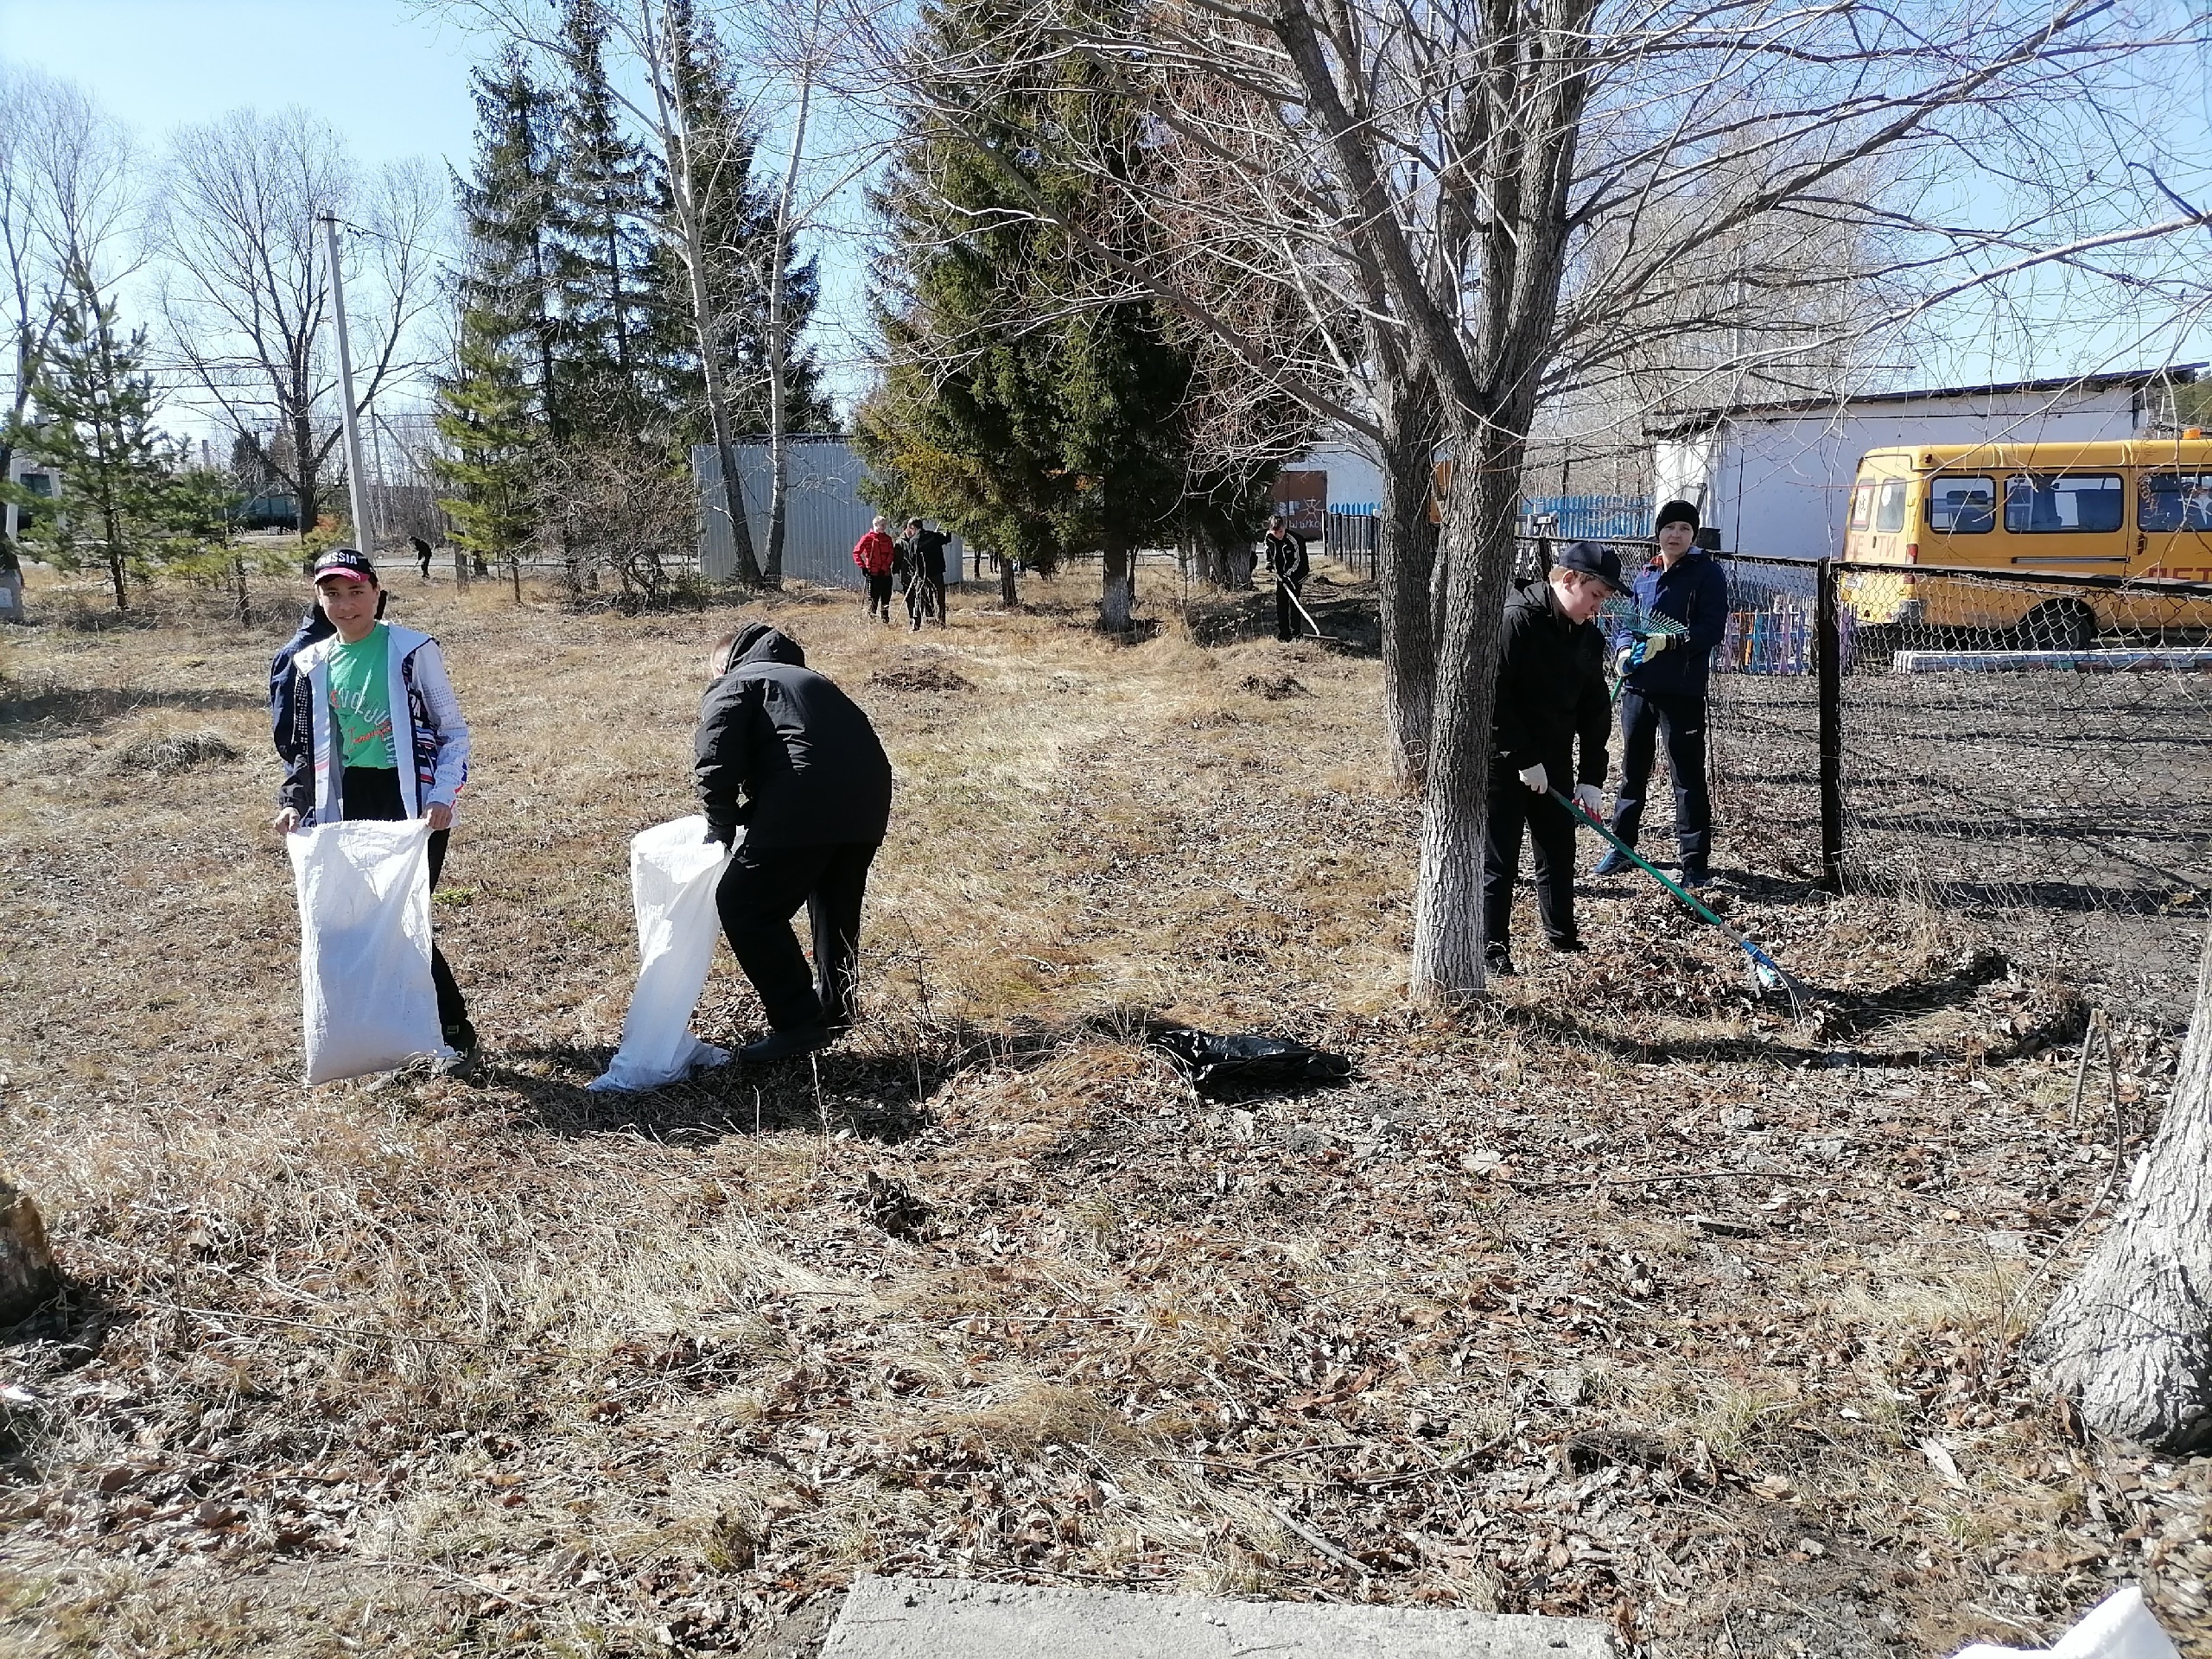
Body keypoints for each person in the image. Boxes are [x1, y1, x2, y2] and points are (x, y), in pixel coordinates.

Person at [271, 549, 477, 1061]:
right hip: (352, 799)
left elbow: (453, 731)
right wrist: (296, 803)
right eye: (332, 594)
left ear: (376, 592)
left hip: (411, 801)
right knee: (362, 921)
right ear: (319, 600)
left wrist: (442, 795)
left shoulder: (411, 649)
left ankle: (454, 1033)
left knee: (405, 918)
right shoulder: (311, 662)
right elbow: (308, 746)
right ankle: (402, 1037)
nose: (345, 605)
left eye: (355, 592)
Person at [695, 621, 894, 1062]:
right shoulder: (814, 683)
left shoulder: (740, 681)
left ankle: (798, 1022)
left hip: (806, 801)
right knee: (834, 904)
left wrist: (721, 824)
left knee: (745, 905)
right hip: (868, 802)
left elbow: (715, 753)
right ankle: (837, 1008)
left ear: (727, 661)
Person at [1484, 540, 1619, 977]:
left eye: (1603, 600)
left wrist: (1591, 776)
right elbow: (1495, 695)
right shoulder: (1516, 620)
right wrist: (1522, 756)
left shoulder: (1588, 636)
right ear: (1568, 580)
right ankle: (1492, 946)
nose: (1597, 608)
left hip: (1555, 760)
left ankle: (1562, 936)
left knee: (1558, 851)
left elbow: (1595, 709)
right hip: (1506, 761)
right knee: (1500, 857)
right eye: (1595, 595)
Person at [1598, 499, 1730, 889]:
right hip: (1638, 688)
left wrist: (1670, 643)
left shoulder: (1707, 574)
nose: (1676, 535)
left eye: (1685, 529)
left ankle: (1694, 862)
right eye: (1670, 528)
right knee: (1632, 769)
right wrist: (1623, 650)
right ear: (1659, 532)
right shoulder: (1646, 575)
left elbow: (1711, 630)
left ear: (1693, 535)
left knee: (1686, 777)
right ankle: (1622, 845)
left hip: (1682, 691)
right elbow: (1629, 623)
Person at [1262, 514, 1310, 641]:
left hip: (1297, 573)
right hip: (1281, 574)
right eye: (1275, 533)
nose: (1279, 535)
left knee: (1294, 602)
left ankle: (1296, 633)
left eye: (1281, 532)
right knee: (1281, 603)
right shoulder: (1269, 537)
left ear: (1285, 527)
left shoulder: (1295, 540)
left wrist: (1289, 577)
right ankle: (1284, 633)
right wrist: (1269, 562)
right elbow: (1267, 548)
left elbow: (1298, 561)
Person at [902, 518, 950, 629]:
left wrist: (915, 571)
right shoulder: (933, 536)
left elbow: (911, 558)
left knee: (919, 599)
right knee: (940, 599)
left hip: (922, 575)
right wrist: (948, 528)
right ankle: (942, 623)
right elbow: (947, 539)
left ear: (913, 527)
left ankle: (916, 625)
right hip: (937, 572)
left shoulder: (913, 541)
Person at [853, 517, 898, 621]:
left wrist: (884, 568)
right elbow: (856, 553)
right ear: (876, 525)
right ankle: (871, 619)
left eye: (884, 525)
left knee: (886, 597)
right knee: (873, 598)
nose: (884, 527)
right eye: (882, 525)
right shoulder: (867, 538)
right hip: (873, 574)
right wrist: (862, 567)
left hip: (885, 574)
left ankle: (885, 619)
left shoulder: (887, 539)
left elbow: (891, 554)